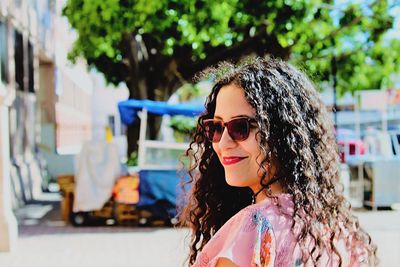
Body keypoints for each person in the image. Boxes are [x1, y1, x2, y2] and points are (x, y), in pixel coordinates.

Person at [179, 57, 377, 266]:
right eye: (216, 127)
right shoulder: (335, 229)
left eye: (240, 127)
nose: (223, 143)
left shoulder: (254, 228)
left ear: (282, 134)